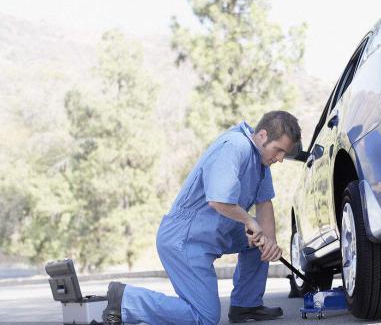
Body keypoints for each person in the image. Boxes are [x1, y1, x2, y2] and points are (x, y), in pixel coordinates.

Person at [102, 110, 302, 325]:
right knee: (204, 318)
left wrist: (269, 242)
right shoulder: (235, 146)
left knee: (259, 240)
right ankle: (125, 298)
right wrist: (249, 221)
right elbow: (218, 200)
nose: (281, 159)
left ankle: (246, 305)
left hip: (215, 230)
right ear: (262, 135)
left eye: (285, 153)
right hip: (185, 237)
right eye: (279, 150)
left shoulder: (261, 161)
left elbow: (265, 203)